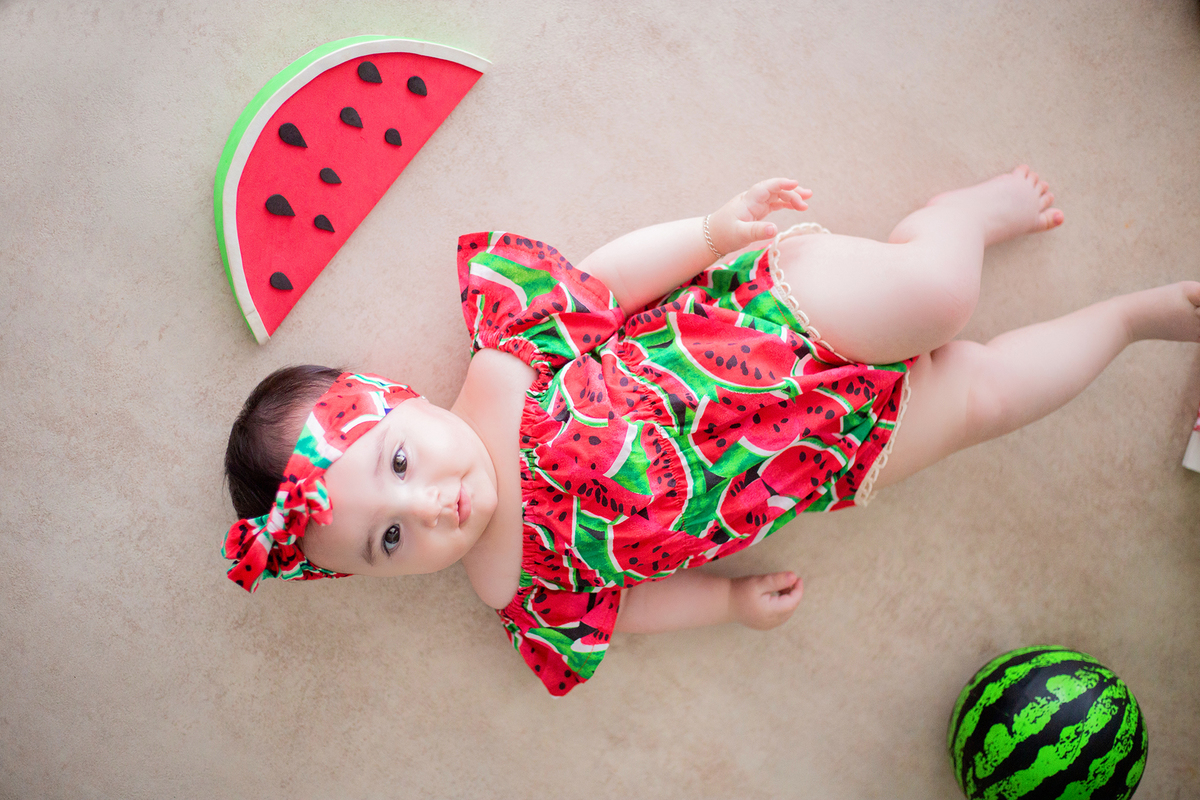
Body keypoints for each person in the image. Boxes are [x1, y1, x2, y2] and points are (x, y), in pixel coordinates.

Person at [223, 167, 1200, 695]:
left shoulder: (503, 366)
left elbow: (606, 284)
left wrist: (708, 232)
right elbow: (628, 609)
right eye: (391, 538)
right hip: (825, 455)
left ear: (400, 396)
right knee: (987, 399)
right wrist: (728, 604)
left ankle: (955, 221)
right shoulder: (511, 588)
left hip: (774, 324)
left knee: (940, 296)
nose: (431, 506)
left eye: (399, 462)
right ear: (380, 575)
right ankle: (1130, 320)